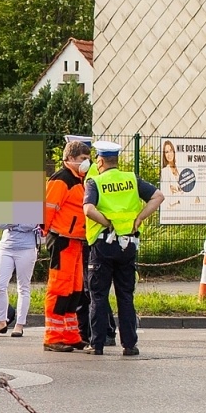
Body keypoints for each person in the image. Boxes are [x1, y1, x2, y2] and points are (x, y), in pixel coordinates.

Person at [83, 139, 165, 356]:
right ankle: (129, 345)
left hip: (103, 244)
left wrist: (107, 222)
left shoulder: (95, 182)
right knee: (125, 296)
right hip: (128, 244)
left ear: (100, 161)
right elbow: (158, 196)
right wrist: (140, 218)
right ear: (116, 160)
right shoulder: (131, 179)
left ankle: (97, 344)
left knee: (98, 295)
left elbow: (88, 209)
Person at [43, 139, 93, 352]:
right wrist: (45, 233)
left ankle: (71, 335)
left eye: (88, 158)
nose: (87, 162)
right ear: (70, 158)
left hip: (75, 240)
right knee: (59, 288)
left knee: (74, 290)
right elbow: (48, 209)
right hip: (62, 240)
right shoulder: (61, 179)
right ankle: (52, 337)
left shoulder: (78, 180)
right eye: (83, 158)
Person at [0, 221, 39, 337]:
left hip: (27, 248)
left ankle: (19, 324)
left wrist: (11, 223)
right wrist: (19, 222)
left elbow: (30, 225)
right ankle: (1, 322)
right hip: (6, 247)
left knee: (23, 287)